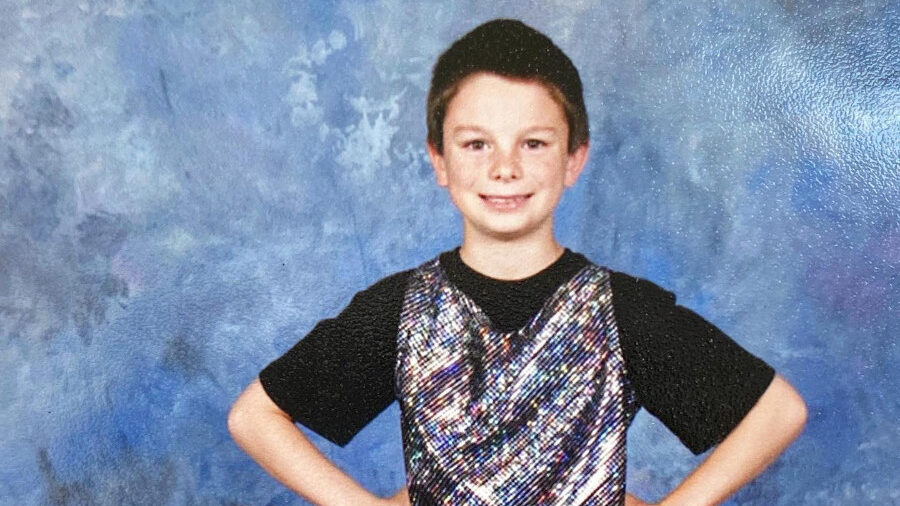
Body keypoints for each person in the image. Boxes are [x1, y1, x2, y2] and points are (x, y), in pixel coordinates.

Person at [228, 19, 807, 505]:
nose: (504, 168)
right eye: (477, 143)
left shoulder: (620, 311)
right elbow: (255, 418)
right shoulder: (402, 311)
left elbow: (777, 412)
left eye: (533, 143)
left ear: (574, 158)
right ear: (439, 160)